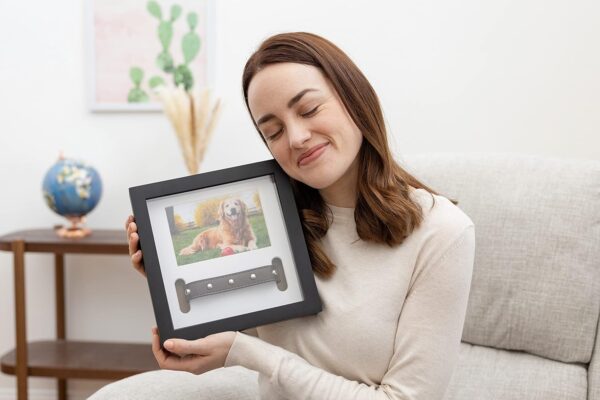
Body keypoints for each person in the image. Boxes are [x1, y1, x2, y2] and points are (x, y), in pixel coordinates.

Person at [100, 32, 475, 399]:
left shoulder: (442, 233)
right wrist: (172, 279)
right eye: (273, 131)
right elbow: (244, 332)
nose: (296, 138)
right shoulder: (277, 218)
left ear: (354, 98)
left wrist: (246, 353)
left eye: (309, 110)